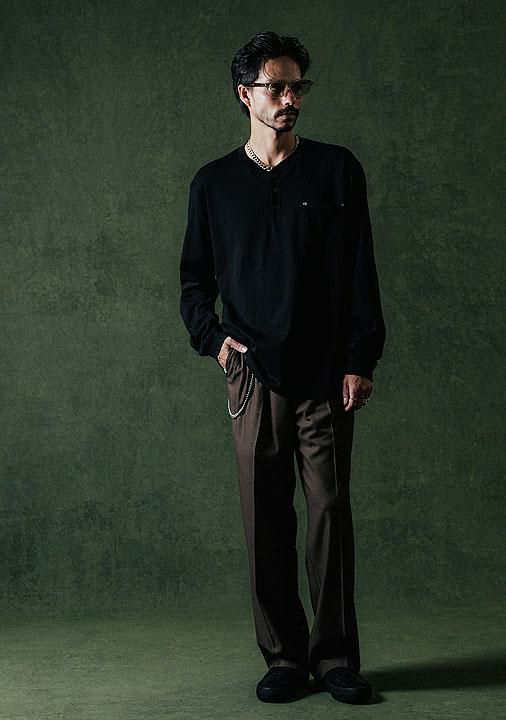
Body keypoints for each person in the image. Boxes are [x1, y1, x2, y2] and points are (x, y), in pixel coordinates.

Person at [179, 30, 386, 705]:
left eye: (298, 86)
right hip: (252, 378)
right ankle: (285, 658)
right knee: (264, 519)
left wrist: (359, 359)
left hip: (325, 375)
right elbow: (193, 281)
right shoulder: (214, 184)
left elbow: (360, 271)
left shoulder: (336, 171)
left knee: (329, 513)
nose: (290, 98)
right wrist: (215, 340)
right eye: (277, 87)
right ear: (246, 95)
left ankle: (335, 658)